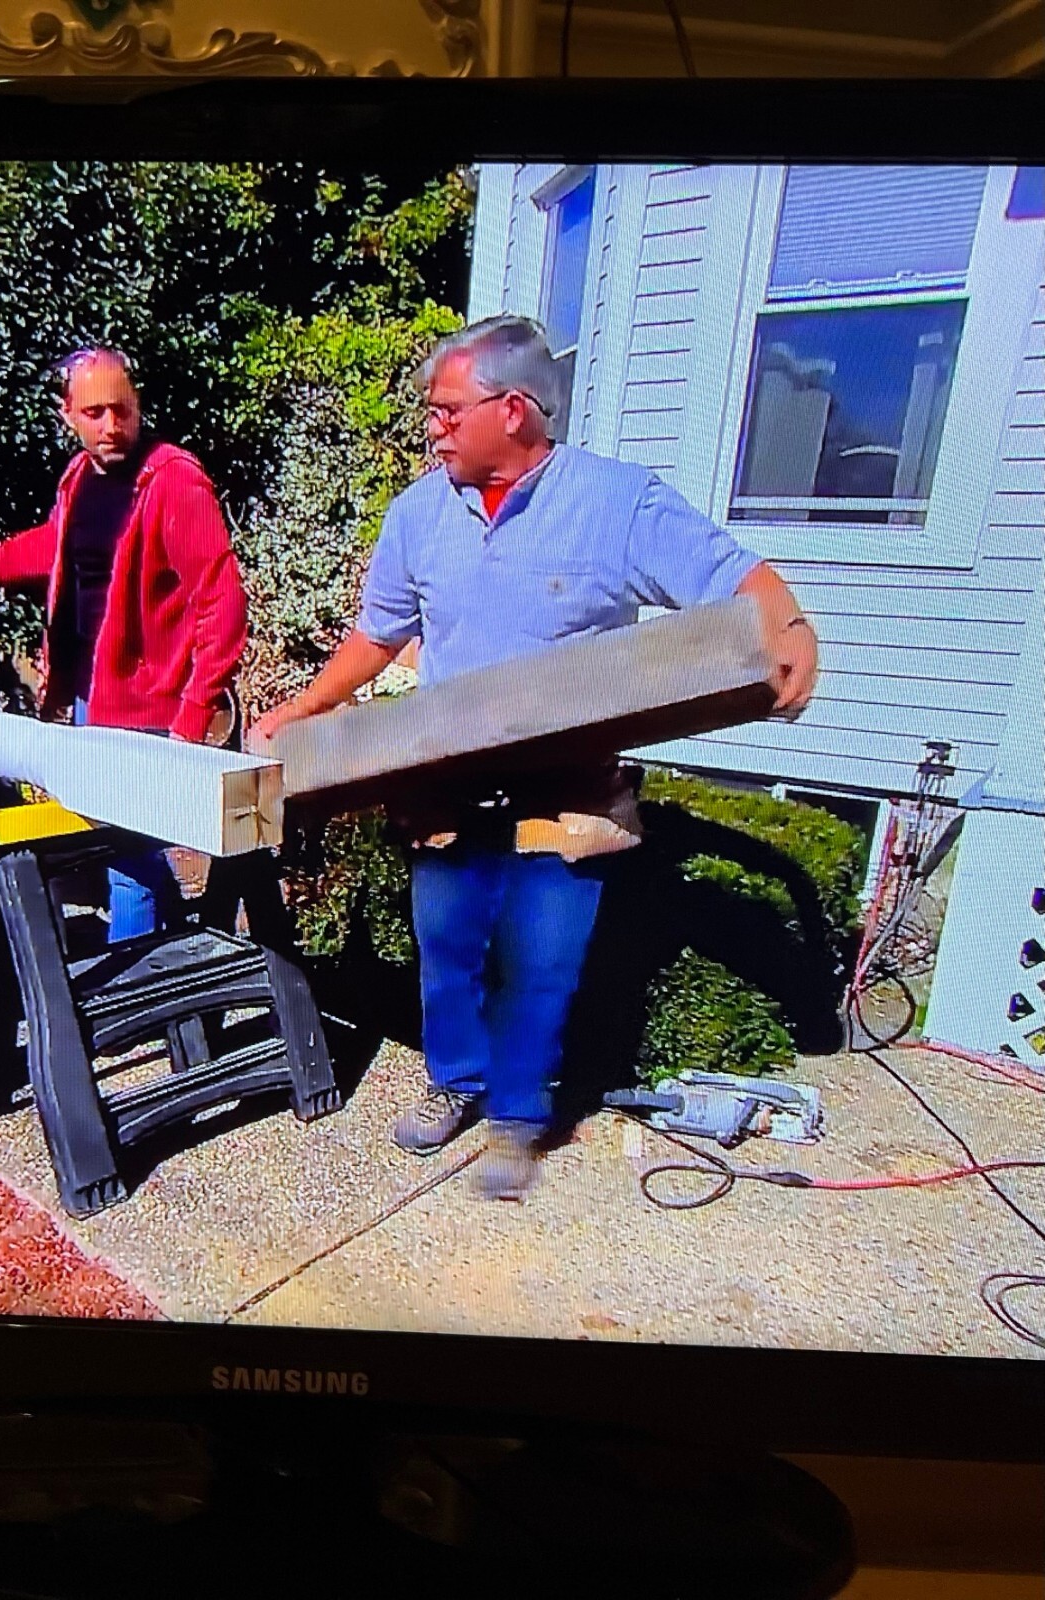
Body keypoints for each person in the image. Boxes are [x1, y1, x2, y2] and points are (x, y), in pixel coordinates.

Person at [251, 315, 819, 1201]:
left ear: (513, 410)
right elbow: (378, 633)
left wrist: (791, 627)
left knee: (542, 961)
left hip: (568, 790)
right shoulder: (418, 515)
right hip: (447, 787)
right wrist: (306, 706)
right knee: (448, 948)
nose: (431, 428)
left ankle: (518, 1118)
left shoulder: (616, 503)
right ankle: (456, 1081)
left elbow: (735, 576)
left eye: (447, 411)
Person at [0, 346, 248, 940]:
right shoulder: (79, 478)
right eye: (94, 413)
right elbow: (55, 547)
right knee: (128, 851)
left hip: (152, 712)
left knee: (127, 863)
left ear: (137, 406)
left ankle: (135, 986)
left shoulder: (174, 482)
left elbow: (222, 605)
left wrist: (192, 718)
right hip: (95, 699)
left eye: (122, 410)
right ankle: (175, 946)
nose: (111, 426)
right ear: (68, 415)